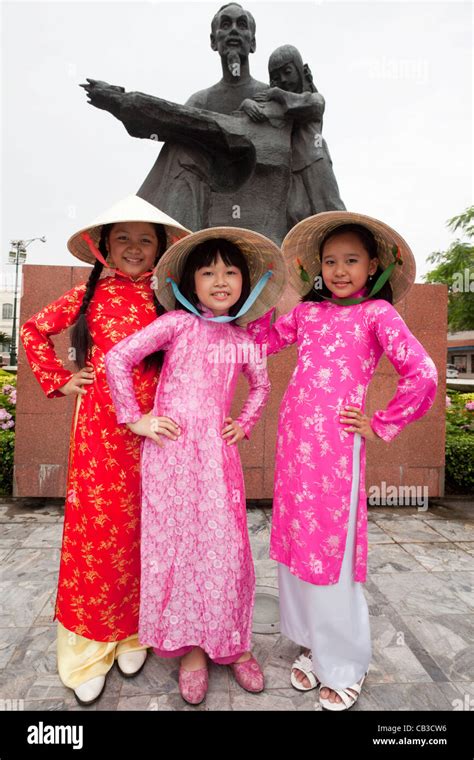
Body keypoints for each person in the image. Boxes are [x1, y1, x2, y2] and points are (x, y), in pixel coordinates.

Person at [247, 211, 438, 710]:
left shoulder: (378, 314)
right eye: (330, 261)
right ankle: (314, 641)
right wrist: (242, 307)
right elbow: (261, 342)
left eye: (351, 260)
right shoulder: (307, 314)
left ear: (373, 264)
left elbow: (423, 373)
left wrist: (380, 423)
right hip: (293, 446)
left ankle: (345, 660)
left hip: (336, 449)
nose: (339, 270)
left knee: (332, 548)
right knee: (298, 542)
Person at [104, 226, 287, 704]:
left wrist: (244, 423)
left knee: (226, 550)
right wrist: (135, 419)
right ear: (190, 284)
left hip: (217, 459)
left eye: (230, 272)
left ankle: (233, 646)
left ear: (246, 283)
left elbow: (262, 387)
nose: (220, 280)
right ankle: (190, 652)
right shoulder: (178, 326)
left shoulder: (245, 339)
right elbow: (119, 358)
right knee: (179, 551)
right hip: (170, 458)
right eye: (208, 272)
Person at [20, 195, 190, 706]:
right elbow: (32, 330)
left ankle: (135, 633)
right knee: (98, 530)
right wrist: (62, 379)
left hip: (156, 426)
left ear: (161, 247)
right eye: (124, 239)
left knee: (145, 525)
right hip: (100, 428)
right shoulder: (89, 295)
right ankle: (89, 649)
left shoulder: (169, 296)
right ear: (104, 247)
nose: (135, 249)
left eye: (145, 239)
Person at [241, 44, 345, 226]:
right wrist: (246, 104)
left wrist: (277, 93)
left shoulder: (312, 99)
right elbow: (261, 116)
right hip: (289, 168)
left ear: (299, 69)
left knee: (329, 210)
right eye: (275, 77)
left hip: (315, 161)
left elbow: (312, 106)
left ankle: (343, 249)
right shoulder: (278, 105)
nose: (282, 79)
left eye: (287, 71)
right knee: (295, 214)